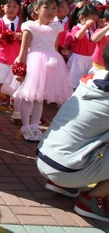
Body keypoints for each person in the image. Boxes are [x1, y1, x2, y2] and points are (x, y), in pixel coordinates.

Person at [37, 45, 109, 222]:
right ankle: (92, 200)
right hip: (65, 168)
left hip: (45, 157)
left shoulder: (90, 82)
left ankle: (64, 185)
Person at [9, 0, 73, 142]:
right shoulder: (30, 27)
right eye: (47, 7)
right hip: (34, 63)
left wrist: (57, 62)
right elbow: (23, 50)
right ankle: (25, 126)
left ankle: (35, 126)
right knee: (28, 96)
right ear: (36, 9)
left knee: (39, 98)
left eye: (54, 8)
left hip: (50, 65)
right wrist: (20, 69)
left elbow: (55, 47)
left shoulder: (56, 27)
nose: (51, 12)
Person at [65, 3, 99, 88]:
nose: (93, 23)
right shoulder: (76, 28)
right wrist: (86, 26)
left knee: (86, 82)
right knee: (73, 82)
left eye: (95, 20)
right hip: (77, 59)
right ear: (81, 17)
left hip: (90, 60)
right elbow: (78, 36)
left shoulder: (94, 30)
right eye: (92, 20)